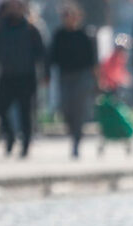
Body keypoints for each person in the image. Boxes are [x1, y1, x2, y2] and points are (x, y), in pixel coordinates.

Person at [0, 0, 47, 158]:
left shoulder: (32, 28)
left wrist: (45, 73)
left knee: (25, 112)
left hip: (26, 75)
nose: (15, 8)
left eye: (18, 5)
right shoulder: (1, 26)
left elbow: (42, 54)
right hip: (7, 74)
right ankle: (10, 135)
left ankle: (25, 144)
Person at [48, 1, 97, 158]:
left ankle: (77, 139)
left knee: (79, 108)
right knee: (65, 107)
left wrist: (97, 79)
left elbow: (93, 60)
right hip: (64, 76)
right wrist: (46, 74)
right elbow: (51, 57)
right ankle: (72, 132)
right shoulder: (59, 35)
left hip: (82, 76)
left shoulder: (85, 35)